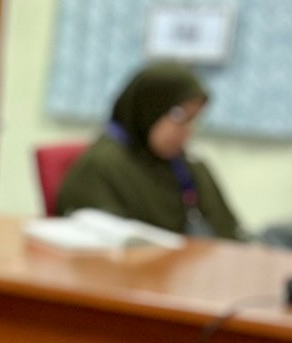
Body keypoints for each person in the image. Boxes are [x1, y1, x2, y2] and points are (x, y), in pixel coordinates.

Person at [57, 61, 242, 239]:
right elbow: (100, 242)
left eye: (193, 120)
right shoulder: (100, 166)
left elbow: (230, 236)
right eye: (179, 116)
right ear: (148, 107)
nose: (186, 131)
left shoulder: (189, 168)